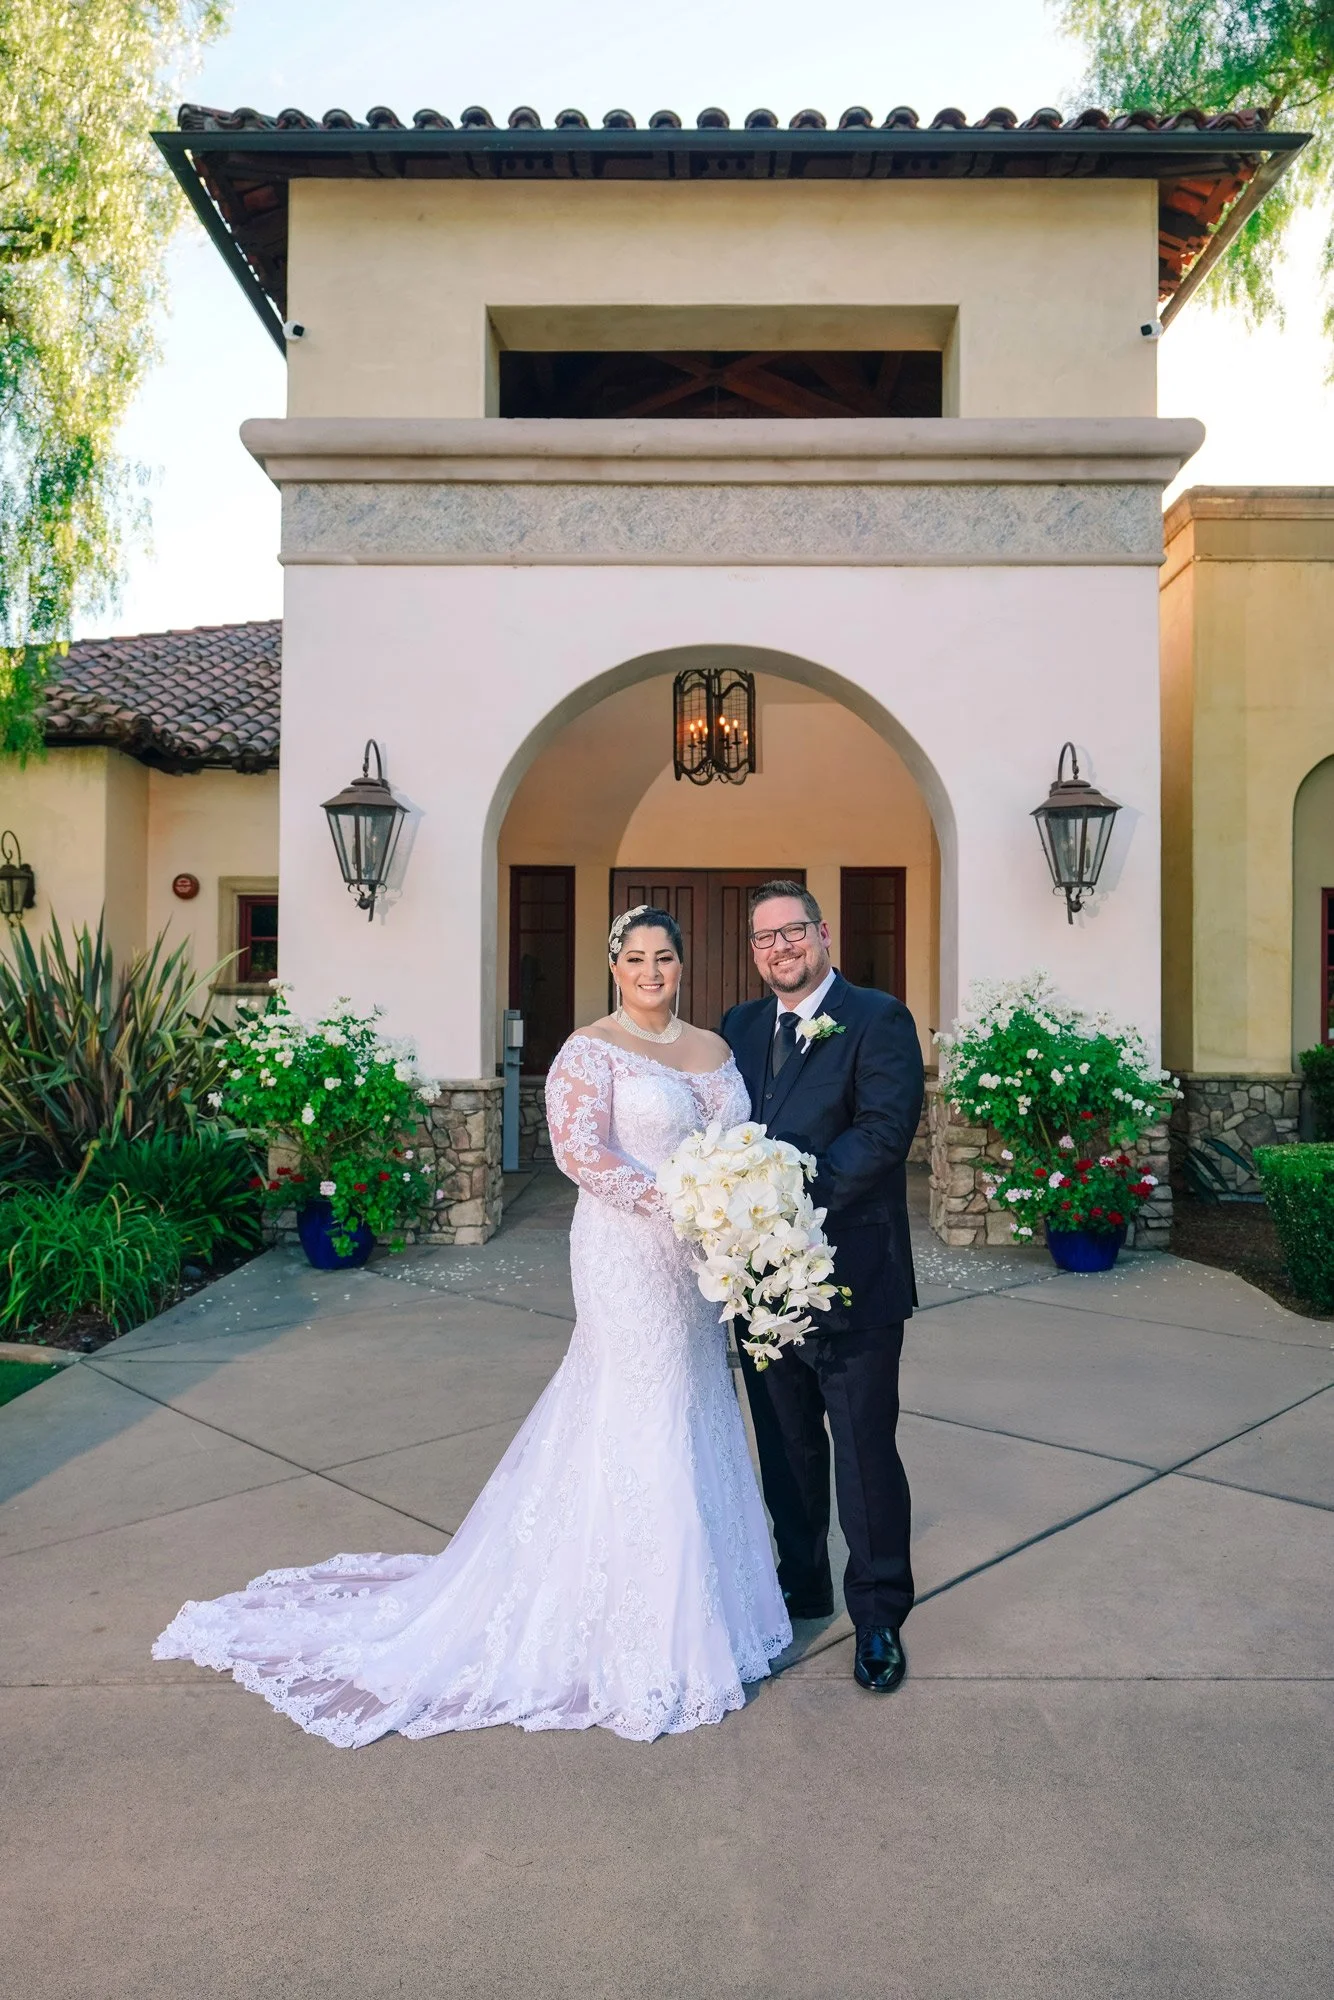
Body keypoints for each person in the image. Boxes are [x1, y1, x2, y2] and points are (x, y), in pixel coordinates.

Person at [153, 906, 790, 1745]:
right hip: (626, 1253)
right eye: (634, 958)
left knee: (695, 1402)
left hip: (695, 1265)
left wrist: (730, 1205)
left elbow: (739, 1140)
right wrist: (677, 1201)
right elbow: (581, 1154)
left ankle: (705, 1613)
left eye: (664, 957)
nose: (650, 972)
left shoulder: (712, 1047)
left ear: (682, 964)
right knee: (641, 1405)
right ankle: (634, 1632)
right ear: (613, 965)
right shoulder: (588, 1048)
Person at [721, 881, 924, 1693]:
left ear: (823, 933)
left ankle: (877, 1616)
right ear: (754, 950)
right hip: (759, 1283)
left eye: (793, 931)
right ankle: (801, 1587)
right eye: (765, 938)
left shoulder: (879, 1018)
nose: (781, 948)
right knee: (788, 1447)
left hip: (853, 1280)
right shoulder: (737, 1027)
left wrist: (780, 1196)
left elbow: (883, 1133)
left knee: (865, 1452)